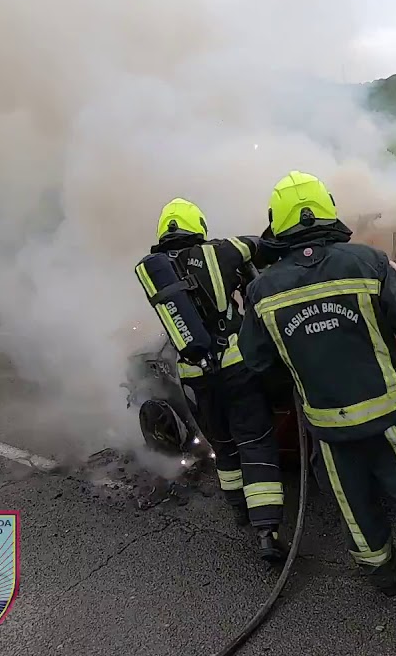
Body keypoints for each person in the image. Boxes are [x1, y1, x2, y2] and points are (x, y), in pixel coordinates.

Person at [238, 171, 396, 607]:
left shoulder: (262, 290)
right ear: (328, 207)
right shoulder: (366, 262)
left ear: (277, 222)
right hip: (389, 417)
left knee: (354, 504)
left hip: (328, 431)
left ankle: (384, 578)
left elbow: (257, 361)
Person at [138, 198, 288, 564]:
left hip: (194, 377)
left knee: (223, 444)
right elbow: (264, 246)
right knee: (255, 443)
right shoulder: (224, 251)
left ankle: (239, 511)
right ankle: (267, 532)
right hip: (236, 367)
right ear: (199, 226)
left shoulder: (155, 270)